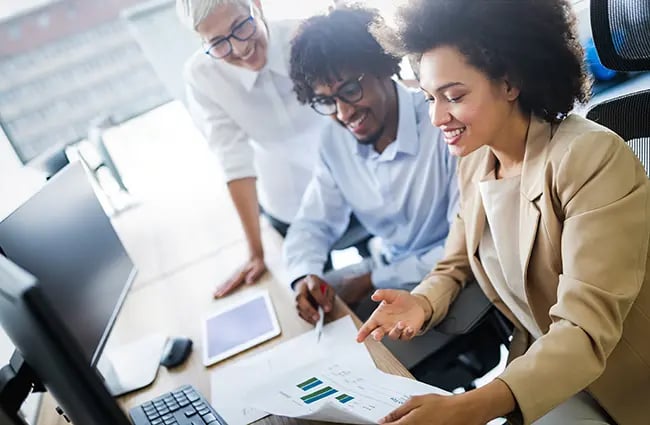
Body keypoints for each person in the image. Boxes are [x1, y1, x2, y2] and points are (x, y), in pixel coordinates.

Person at [356, 1, 650, 424]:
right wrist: (422, 301)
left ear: (510, 82)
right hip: (550, 376)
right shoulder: (477, 160)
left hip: (625, 383)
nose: (438, 117)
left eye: (454, 96)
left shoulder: (590, 158)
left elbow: (585, 330)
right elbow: (454, 266)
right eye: (429, 98)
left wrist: (465, 409)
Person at [284, 6, 458, 323]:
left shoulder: (443, 124)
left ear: (383, 66)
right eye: (326, 101)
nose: (343, 113)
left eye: (350, 90)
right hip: (386, 266)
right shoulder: (334, 140)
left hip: (444, 280)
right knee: (301, 318)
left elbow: (464, 246)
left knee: (354, 349)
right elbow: (312, 224)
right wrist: (304, 276)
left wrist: (374, 279)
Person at [176, 0, 330, 297]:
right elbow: (233, 160)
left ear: (256, 5)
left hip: (357, 182)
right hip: (290, 204)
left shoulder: (304, 35)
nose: (239, 48)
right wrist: (255, 253)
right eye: (218, 42)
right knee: (315, 295)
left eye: (240, 26)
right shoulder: (202, 75)